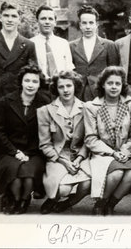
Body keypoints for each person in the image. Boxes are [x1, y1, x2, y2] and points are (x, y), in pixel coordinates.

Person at [0, 2, 37, 176]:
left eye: (14, 16)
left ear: (19, 19)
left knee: (18, 141)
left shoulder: (27, 45)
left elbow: (34, 73)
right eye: (6, 15)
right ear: (0, 17)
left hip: (18, 100)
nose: (10, 19)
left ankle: (19, 189)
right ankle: (1, 189)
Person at [0, 64, 50, 214]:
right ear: (21, 82)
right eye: (27, 80)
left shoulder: (45, 103)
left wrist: (30, 152)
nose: (30, 85)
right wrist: (15, 151)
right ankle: (15, 200)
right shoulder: (5, 101)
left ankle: (24, 201)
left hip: (35, 151)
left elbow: (47, 132)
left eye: (35, 81)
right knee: (15, 177)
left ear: (39, 84)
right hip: (10, 150)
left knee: (28, 176)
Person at [84, 66, 131, 215]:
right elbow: (91, 139)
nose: (114, 87)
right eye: (110, 83)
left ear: (123, 86)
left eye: (118, 83)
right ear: (103, 84)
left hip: (124, 151)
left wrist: (124, 150)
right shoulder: (91, 107)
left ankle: (110, 204)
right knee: (117, 173)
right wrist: (112, 153)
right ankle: (100, 203)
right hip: (103, 153)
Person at [37, 70, 91, 214]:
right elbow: (45, 144)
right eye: (61, 87)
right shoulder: (45, 111)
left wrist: (80, 158)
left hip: (80, 155)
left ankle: (68, 203)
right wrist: (63, 161)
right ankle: (53, 199)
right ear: (56, 88)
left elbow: (89, 139)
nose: (66, 90)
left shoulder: (86, 108)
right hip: (58, 156)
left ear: (76, 87)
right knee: (63, 189)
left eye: (69, 86)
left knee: (88, 183)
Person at [70, 5, 119, 102]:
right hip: (79, 94)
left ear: (97, 24)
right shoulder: (71, 46)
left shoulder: (109, 45)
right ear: (80, 25)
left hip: (101, 93)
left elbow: (114, 71)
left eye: (91, 23)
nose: (88, 27)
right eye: (84, 23)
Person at [30, 5, 74, 82]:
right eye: (43, 18)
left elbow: (69, 69)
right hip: (40, 88)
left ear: (55, 22)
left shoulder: (63, 44)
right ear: (37, 21)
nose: (47, 22)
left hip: (60, 87)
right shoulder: (30, 43)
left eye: (50, 19)